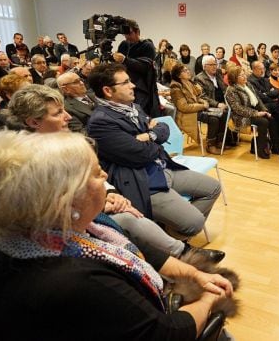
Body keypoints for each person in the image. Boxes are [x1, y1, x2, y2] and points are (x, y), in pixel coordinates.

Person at [0, 130, 233, 340]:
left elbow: (137, 247)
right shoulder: (73, 281)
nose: (105, 174)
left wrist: (195, 274)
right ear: (65, 199)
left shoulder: (51, 229)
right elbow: (167, 336)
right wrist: (210, 298)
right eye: (95, 173)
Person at [87, 64, 222, 242]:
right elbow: (140, 154)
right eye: (126, 82)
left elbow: (162, 128)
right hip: (143, 180)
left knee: (213, 187)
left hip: (162, 167)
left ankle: (167, 233)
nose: (133, 85)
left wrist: (149, 136)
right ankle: (171, 243)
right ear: (107, 90)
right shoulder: (100, 122)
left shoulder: (133, 107)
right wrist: (154, 139)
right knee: (195, 223)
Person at [170, 63, 228, 155]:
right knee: (213, 119)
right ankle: (210, 145)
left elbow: (197, 97)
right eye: (185, 71)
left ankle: (219, 141)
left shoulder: (188, 82)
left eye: (188, 69)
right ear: (178, 75)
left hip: (196, 109)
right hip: (187, 114)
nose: (188, 72)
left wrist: (204, 102)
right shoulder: (175, 87)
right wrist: (202, 106)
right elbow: (183, 107)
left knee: (223, 113)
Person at [113, 19, 162, 117]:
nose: (127, 37)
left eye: (129, 34)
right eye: (125, 34)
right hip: (124, 86)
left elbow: (145, 67)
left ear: (137, 32)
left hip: (142, 90)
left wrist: (125, 60)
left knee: (140, 115)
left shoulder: (147, 46)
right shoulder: (123, 45)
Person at [225, 66, 274, 158]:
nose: (245, 77)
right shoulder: (231, 90)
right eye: (241, 75)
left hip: (252, 112)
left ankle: (266, 145)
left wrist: (264, 110)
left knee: (271, 118)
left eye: (244, 75)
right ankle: (260, 149)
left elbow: (257, 99)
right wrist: (256, 113)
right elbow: (238, 108)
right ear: (234, 78)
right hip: (241, 117)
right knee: (263, 122)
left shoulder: (247, 85)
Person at [247, 62, 279, 155]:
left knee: (278, 115)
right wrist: (269, 94)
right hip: (258, 107)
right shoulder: (251, 81)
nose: (262, 71)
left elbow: (277, 91)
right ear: (254, 69)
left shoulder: (264, 79)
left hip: (268, 104)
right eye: (260, 69)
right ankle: (278, 144)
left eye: (264, 69)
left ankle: (278, 143)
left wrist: (267, 94)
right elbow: (259, 96)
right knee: (278, 112)